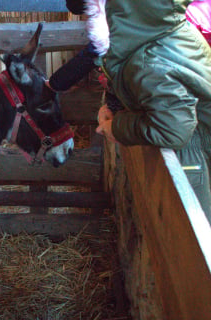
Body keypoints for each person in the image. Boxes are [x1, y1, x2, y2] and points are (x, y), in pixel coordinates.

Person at [90, 0, 211, 222]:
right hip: (198, 138)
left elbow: (173, 130)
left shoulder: (151, 61)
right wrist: (114, 106)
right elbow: (146, 90)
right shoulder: (165, 34)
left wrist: (117, 127)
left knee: (195, 242)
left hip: (196, 152)